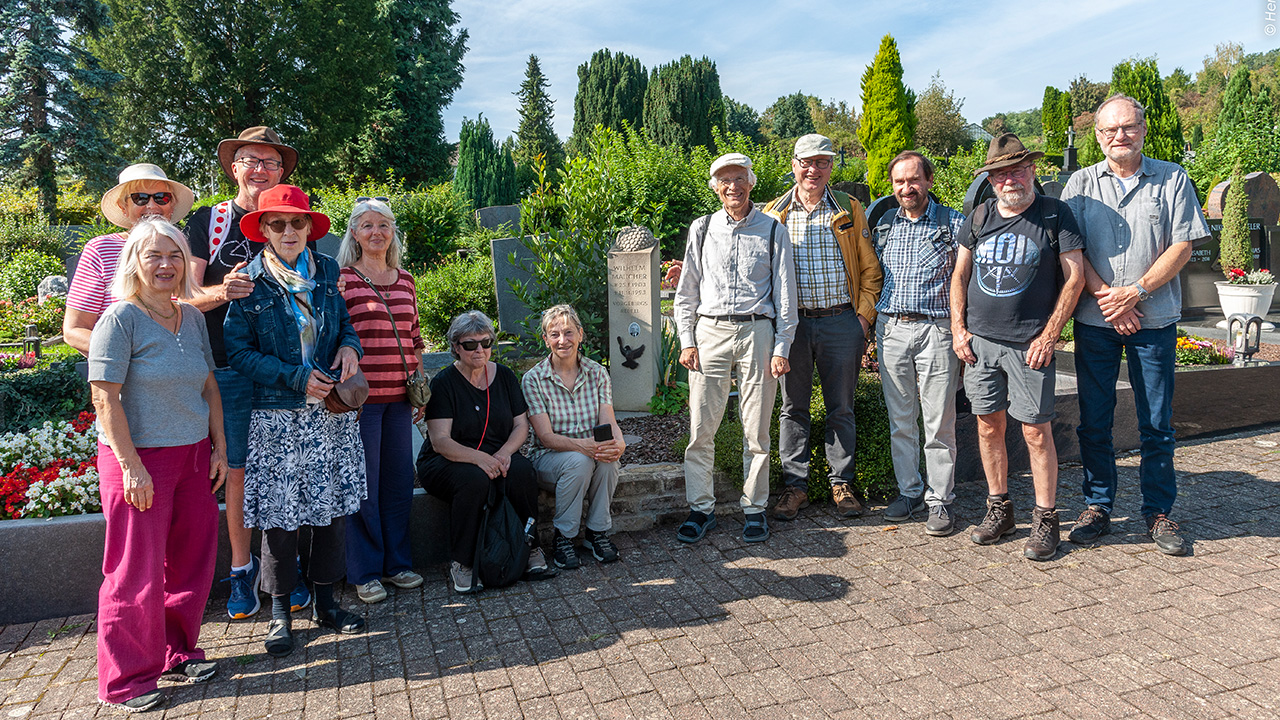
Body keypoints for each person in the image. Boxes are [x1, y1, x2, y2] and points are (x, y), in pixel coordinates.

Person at [1061, 94, 1211, 556]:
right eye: (1109, 130)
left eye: (1127, 127)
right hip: (1096, 319)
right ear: (1098, 136)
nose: (1119, 136)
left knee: (1157, 423)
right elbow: (1070, 251)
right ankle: (1098, 506)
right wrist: (1111, 298)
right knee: (1094, 421)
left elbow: (1182, 245)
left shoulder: (1172, 178)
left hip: (1154, 319)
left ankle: (1158, 512)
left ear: (1143, 130)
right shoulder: (1079, 185)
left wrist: (1137, 292)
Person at [88, 218, 227, 712]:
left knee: (191, 561)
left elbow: (208, 386)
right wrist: (130, 466)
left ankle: (178, 651)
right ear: (134, 263)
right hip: (140, 459)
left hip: (193, 456)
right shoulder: (119, 318)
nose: (165, 265)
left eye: (174, 255)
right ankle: (125, 679)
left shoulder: (189, 316)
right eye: (154, 255)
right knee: (134, 571)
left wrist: (219, 448)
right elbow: (104, 398)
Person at [223, 184, 367, 657]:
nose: (289, 231)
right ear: (264, 230)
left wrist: (350, 347)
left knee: (331, 514)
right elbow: (238, 352)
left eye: (297, 222)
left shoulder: (327, 271)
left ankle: (327, 604)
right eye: (278, 223)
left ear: (309, 227)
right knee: (280, 521)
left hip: (329, 416)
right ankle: (281, 613)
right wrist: (295, 377)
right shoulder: (250, 281)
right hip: (278, 418)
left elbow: (344, 324)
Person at [186, 127, 313, 620]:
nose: (260, 169)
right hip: (227, 366)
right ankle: (243, 569)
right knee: (237, 469)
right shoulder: (209, 221)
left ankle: (284, 567)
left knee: (288, 466)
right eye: (250, 160)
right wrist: (224, 291)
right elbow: (183, 297)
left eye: (270, 162)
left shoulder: (293, 217)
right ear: (233, 167)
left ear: (282, 172)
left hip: (286, 368)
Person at [951, 134, 1085, 561]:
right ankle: (1000, 509)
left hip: (1030, 346)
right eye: (1001, 174)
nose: (1010, 179)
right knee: (987, 425)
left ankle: (1046, 519)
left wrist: (1049, 336)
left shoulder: (1054, 215)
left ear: (1032, 171)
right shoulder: (979, 217)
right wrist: (959, 328)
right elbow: (959, 275)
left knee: (1035, 431)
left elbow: (1075, 278)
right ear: (991, 181)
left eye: (1017, 170)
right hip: (981, 344)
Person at [674, 153, 797, 544]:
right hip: (709, 332)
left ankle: (755, 508)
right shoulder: (702, 228)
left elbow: (786, 295)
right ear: (716, 187)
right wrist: (687, 340)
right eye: (725, 180)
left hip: (757, 332)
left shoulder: (773, 229)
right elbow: (686, 290)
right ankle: (701, 508)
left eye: (739, 178)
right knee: (700, 428)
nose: (733, 187)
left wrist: (782, 347)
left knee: (757, 430)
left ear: (751, 182)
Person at [762, 134, 882, 521]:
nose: (813, 170)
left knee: (841, 408)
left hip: (840, 322)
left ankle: (841, 484)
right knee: (793, 408)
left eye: (822, 162)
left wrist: (862, 319)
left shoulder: (848, 208)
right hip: (793, 328)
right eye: (806, 162)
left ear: (831, 166)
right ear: (793, 164)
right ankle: (794, 487)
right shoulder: (774, 213)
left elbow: (870, 269)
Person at [416, 310, 548, 593]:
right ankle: (462, 562)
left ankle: (530, 546)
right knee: (474, 480)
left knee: (522, 472)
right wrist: (481, 459)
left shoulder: (505, 377)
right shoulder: (444, 382)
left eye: (486, 343)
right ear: (455, 347)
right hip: (449, 458)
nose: (479, 350)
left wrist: (505, 453)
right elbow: (440, 441)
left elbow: (521, 426)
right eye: (470, 344)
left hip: (496, 452)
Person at [872, 151, 967, 535]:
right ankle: (909, 491)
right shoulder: (885, 226)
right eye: (899, 182)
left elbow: (967, 278)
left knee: (938, 422)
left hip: (936, 331)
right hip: (891, 329)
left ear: (928, 180)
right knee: (900, 419)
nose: (906, 188)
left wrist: (962, 329)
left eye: (914, 180)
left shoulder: (953, 224)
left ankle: (940, 499)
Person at [337, 198, 426, 603]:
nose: (377, 232)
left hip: (401, 400)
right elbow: (337, 337)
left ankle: (397, 563)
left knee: (398, 483)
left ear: (393, 232)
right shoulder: (343, 279)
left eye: (384, 225)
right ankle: (365, 571)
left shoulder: (405, 279)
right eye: (368, 226)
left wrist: (420, 385)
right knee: (364, 487)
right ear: (355, 233)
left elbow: (415, 338)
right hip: (362, 402)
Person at [522, 304, 624, 569]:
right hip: (548, 458)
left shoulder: (597, 373)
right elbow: (546, 437)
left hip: (589, 452)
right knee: (580, 461)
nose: (562, 340)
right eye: (554, 334)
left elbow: (608, 421)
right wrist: (585, 448)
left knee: (609, 461)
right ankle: (564, 537)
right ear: (545, 339)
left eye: (568, 332)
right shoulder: (533, 379)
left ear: (580, 334)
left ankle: (596, 533)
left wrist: (619, 442)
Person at [64, 163, 195, 354]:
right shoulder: (102, 249)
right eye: (139, 198)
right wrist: (132, 358)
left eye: (162, 197)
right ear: (123, 207)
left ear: (172, 205)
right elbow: (74, 330)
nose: (152, 205)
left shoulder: (181, 247)